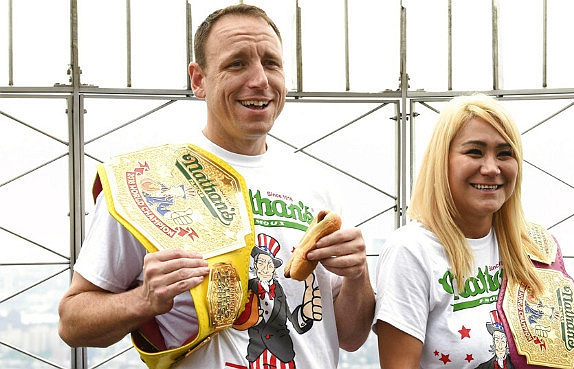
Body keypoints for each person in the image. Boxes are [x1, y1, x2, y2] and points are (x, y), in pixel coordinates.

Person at [58, 4, 375, 369]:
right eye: (236, 63)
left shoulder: (318, 187)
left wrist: (357, 275)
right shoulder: (149, 182)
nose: (260, 80)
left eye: (272, 63)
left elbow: (351, 337)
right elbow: (72, 321)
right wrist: (143, 300)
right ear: (198, 80)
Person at [373, 94, 574, 369]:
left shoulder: (535, 247)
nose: (491, 168)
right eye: (474, 152)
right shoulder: (411, 250)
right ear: (442, 161)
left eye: (505, 153)